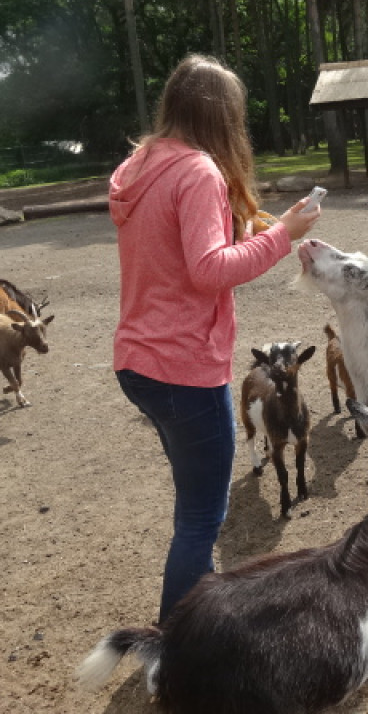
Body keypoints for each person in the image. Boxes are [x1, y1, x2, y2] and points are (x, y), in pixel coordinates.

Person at [109, 54, 320, 623]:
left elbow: (172, 246)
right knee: (203, 518)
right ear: (220, 115)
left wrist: (238, 227)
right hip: (182, 367)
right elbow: (207, 271)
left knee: (192, 503)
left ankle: (177, 638)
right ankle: (176, 647)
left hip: (137, 362)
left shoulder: (140, 163)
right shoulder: (198, 170)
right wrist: (281, 236)